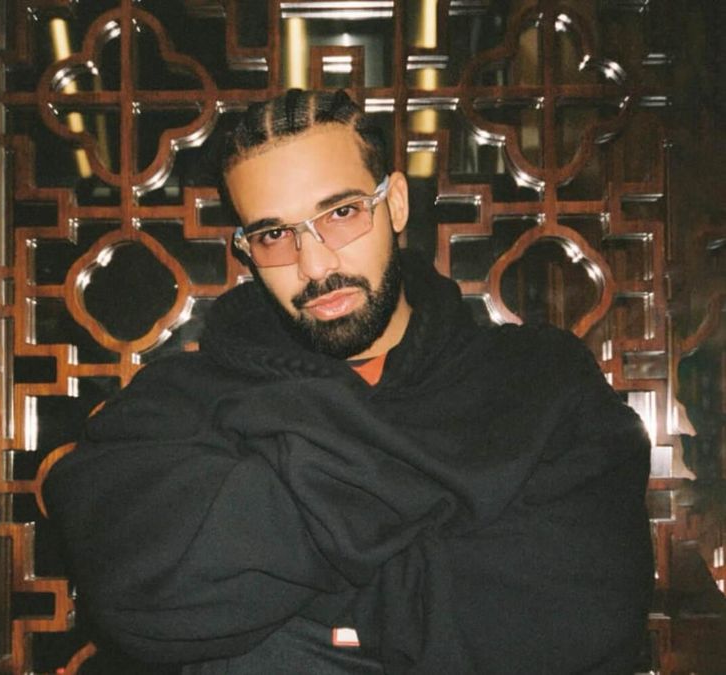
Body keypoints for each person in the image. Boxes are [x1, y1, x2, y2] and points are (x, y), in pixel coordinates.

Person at [44, 89, 654, 674]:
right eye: (274, 234)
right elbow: (134, 596)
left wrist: (306, 609)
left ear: (395, 205)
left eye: (340, 213)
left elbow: (585, 616)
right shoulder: (181, 398)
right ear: (247, 250)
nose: (315, 265)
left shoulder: (535, 381)